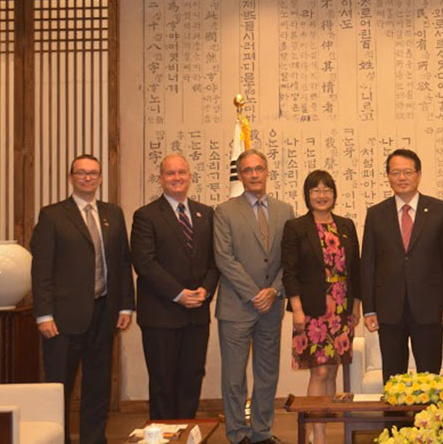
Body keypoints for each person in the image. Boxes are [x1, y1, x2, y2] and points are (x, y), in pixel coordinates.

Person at [30, 154, 135, 444]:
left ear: (100, 178)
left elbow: (123, 262)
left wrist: (126, 303)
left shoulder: (113, 213)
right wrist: (43, 314)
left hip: (104, 312)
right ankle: (56, 438)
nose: (87, 178)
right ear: (71, 177)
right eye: (81, 173)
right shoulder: (52, 215)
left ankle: (93, 438)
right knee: (58, 386)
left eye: (93, 173)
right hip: (62, 318)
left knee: (98, 385)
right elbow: (41, 267)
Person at [214, 149, 296, 444]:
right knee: (234, 377)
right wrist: (254, 294)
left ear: (267, 172)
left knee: (267, 375)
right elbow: (224, 259)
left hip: (272, 306)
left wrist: (274, 291)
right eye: (247, 170)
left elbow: (290, 258)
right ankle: (238, 434)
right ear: (241, 175)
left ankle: (262, 432)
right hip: (237, 307)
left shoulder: (285, 210)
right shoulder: (224, 211)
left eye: (258, 168)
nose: (253, 174)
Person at [130, 153, 219, 419]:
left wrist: (206, 289)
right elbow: (144, 263)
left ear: (190, 177)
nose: (177, 178)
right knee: (163, 382)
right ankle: (165, 434)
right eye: (170, 173)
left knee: (192, 378)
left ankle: (187, 430)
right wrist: (179, 294)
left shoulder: (206, 213)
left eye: (182, 172)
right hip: (161, 315)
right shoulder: (146, 216)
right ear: (161, 179)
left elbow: (215, 261)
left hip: (196, 315)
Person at [361, 148, 443, 382]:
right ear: (388, 176)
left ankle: (432, 419)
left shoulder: (440, 210)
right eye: (395, 172)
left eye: (407, 172)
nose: (401, 178)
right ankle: (394, 420)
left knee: (430, 376)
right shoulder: (376, 214)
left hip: (429, 306)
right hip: (389, 308)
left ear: (418, 174)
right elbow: (368, 264)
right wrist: (369, 308)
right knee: (393, 377)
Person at [282, 170, 362, 444]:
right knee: (320, 371)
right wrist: (297, 309)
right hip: (313, 308)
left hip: (342, 306)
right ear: (307, 195)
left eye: (326, 189)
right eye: (315, 190)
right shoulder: (296, 227)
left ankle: (324, 430)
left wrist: (356, 305)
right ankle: (317, 436)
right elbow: (289, 271)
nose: (321, 194)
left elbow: (356, 268)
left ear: (334, 194)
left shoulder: (346, 225)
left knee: (333, 369)